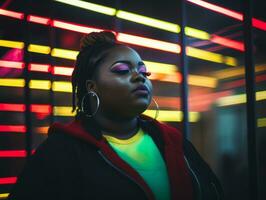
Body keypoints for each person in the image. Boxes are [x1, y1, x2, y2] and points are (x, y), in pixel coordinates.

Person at [8, 31, 223, 200]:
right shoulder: (60, 152)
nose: (139, 77)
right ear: (92, 87)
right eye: (121, 70)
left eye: (144, 71)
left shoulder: (173, 141)